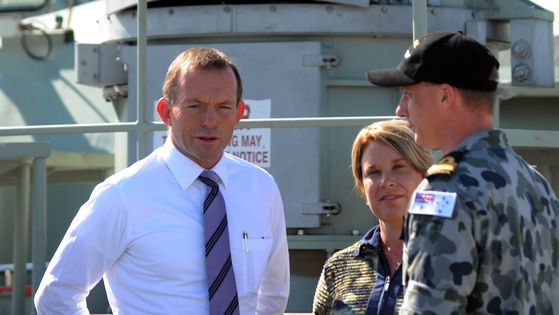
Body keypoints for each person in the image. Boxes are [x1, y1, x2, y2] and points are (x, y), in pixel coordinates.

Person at [34, 47, 290, 314]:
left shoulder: (261, 188)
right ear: (166, 112)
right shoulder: (122, 196)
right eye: (195, 106)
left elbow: (273, 293)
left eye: (223, 107)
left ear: (239, 113)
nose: (210, 121)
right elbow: (56, 295)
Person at [366, 31, 559, 314]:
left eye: (408, 95)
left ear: (445, 96)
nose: (400, 110)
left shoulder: (443, 190)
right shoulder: (536, 185)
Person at [312, 119, 432, 314]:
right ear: (362, 186)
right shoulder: (338, 268)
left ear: (425, 176)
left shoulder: (455, 260)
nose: (386, 181)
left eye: (399, 167)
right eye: (373, 172)